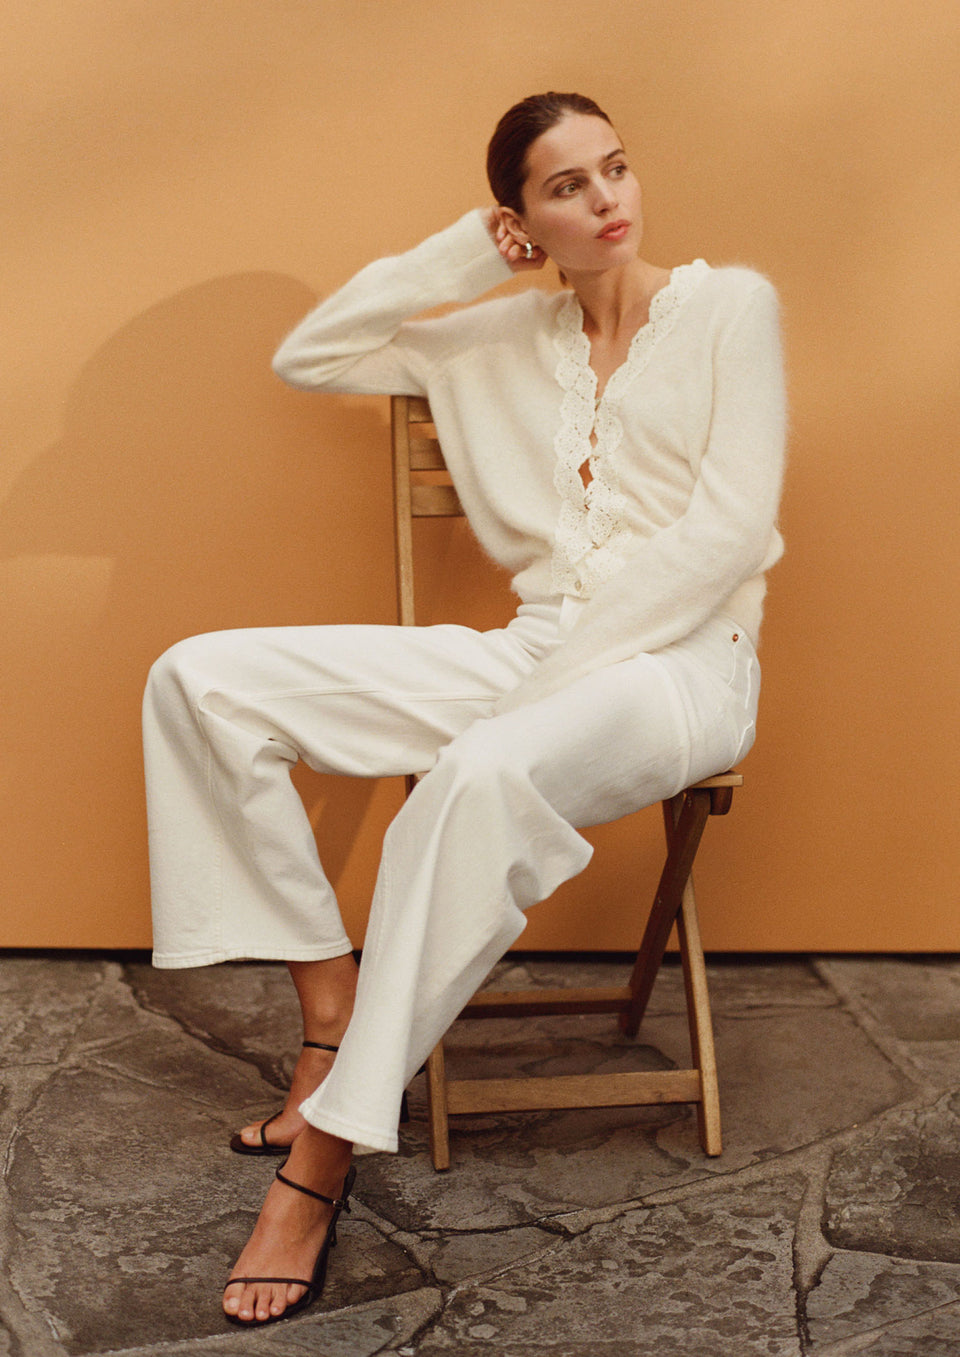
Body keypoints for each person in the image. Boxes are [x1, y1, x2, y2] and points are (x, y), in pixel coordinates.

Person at [142, 91, 786, 1327]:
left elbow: (730, 534)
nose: (608, 202)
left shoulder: (728, 308)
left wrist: (557, 678)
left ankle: (320, 1158)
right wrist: (455, 258)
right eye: (567, 187)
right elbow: (309, 355)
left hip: (682, 670)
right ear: (523, 219)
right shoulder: (496, 338)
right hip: (536, 652)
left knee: (478, 774)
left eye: (616, 169)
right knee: (200, 679)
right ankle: (331, 1013)